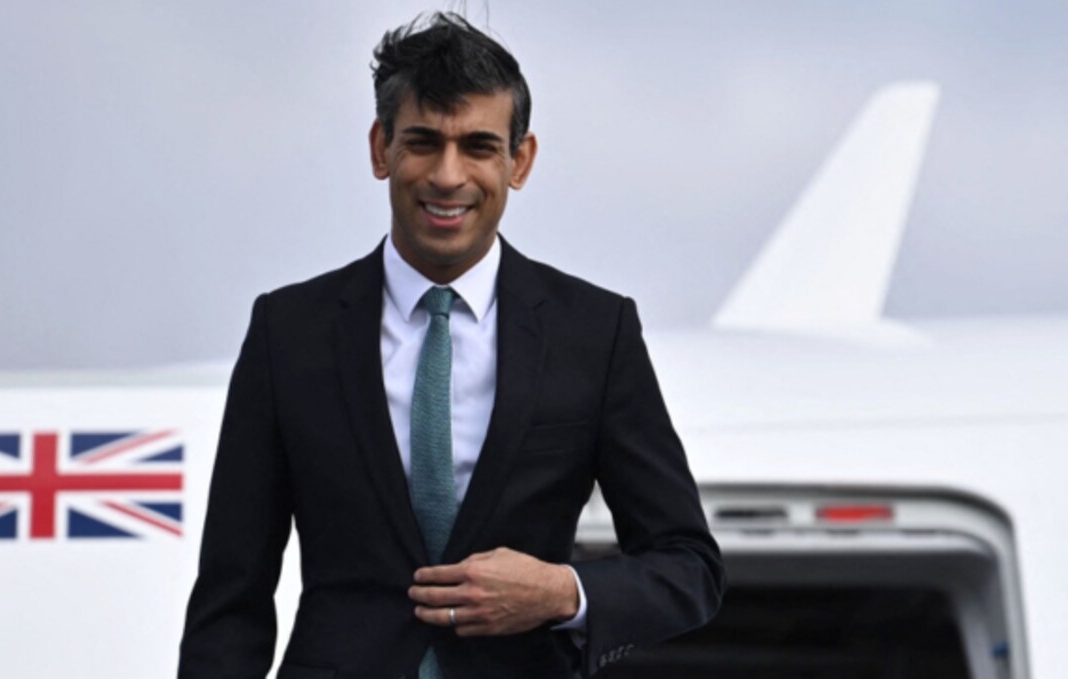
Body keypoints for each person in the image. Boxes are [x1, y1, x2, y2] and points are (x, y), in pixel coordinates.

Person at [178, 12, 724, 679]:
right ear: (381, 149)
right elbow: (231, 598)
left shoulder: (595, 332)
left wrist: (559, 591)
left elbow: (688, 566)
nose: (447, 174)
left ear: (519, 160)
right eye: (423, 142)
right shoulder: (287, 333)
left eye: (478, 146)